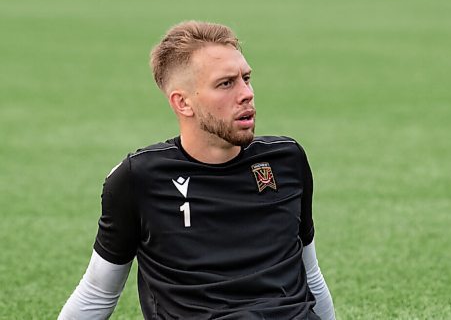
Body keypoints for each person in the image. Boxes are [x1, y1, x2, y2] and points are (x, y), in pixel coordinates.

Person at [58, 21, 335, 320]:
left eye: (246, 78)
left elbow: (310, 274)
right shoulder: (140, 178)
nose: (246, 93)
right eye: (226, 84)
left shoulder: (286, 160)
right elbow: (98, 292)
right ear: (183, 103)